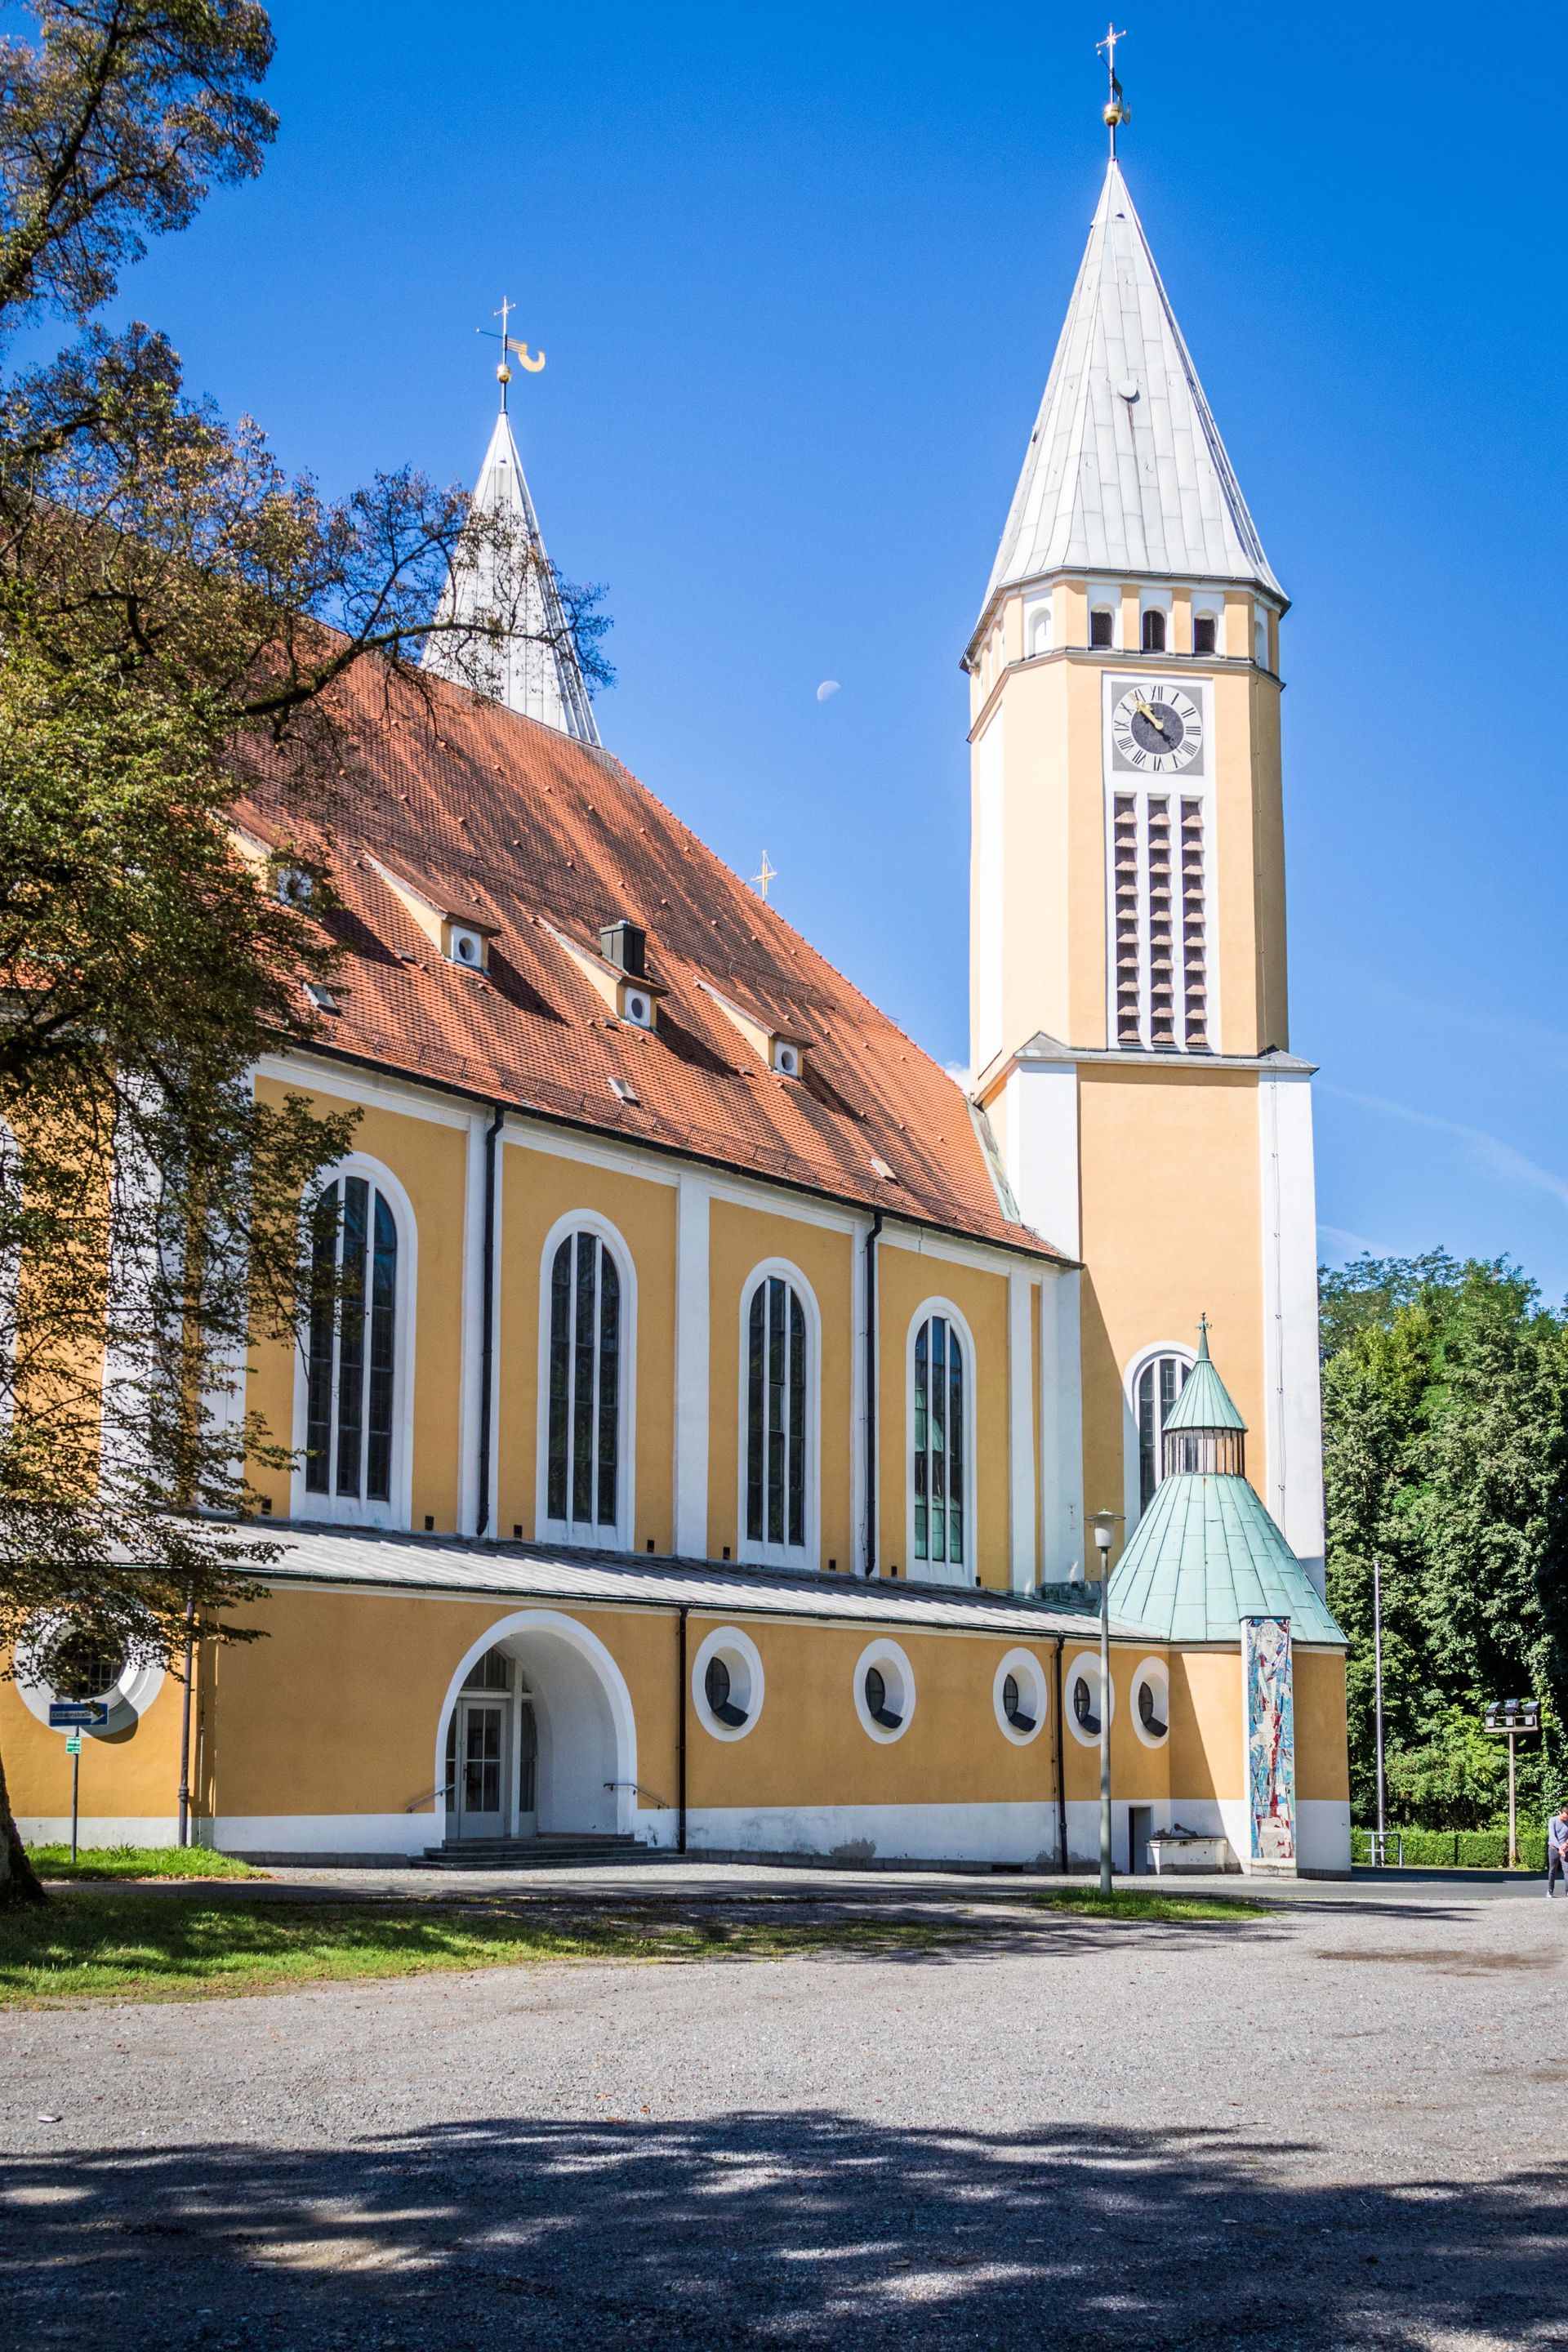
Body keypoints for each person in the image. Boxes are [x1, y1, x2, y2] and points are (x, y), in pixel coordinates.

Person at [1548, 1805, 1568, 1899]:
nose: (1565, 1819)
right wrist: (1559, 1848)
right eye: (1564, 1817)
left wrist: (1566, 1844)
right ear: (1560, 1813)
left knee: (1567, 1870)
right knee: (1553, 1870)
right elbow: (1552, 1836)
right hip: (1553, 1848)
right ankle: (1550, 1891)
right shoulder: (1553, 1820)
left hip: (1565, 1849)